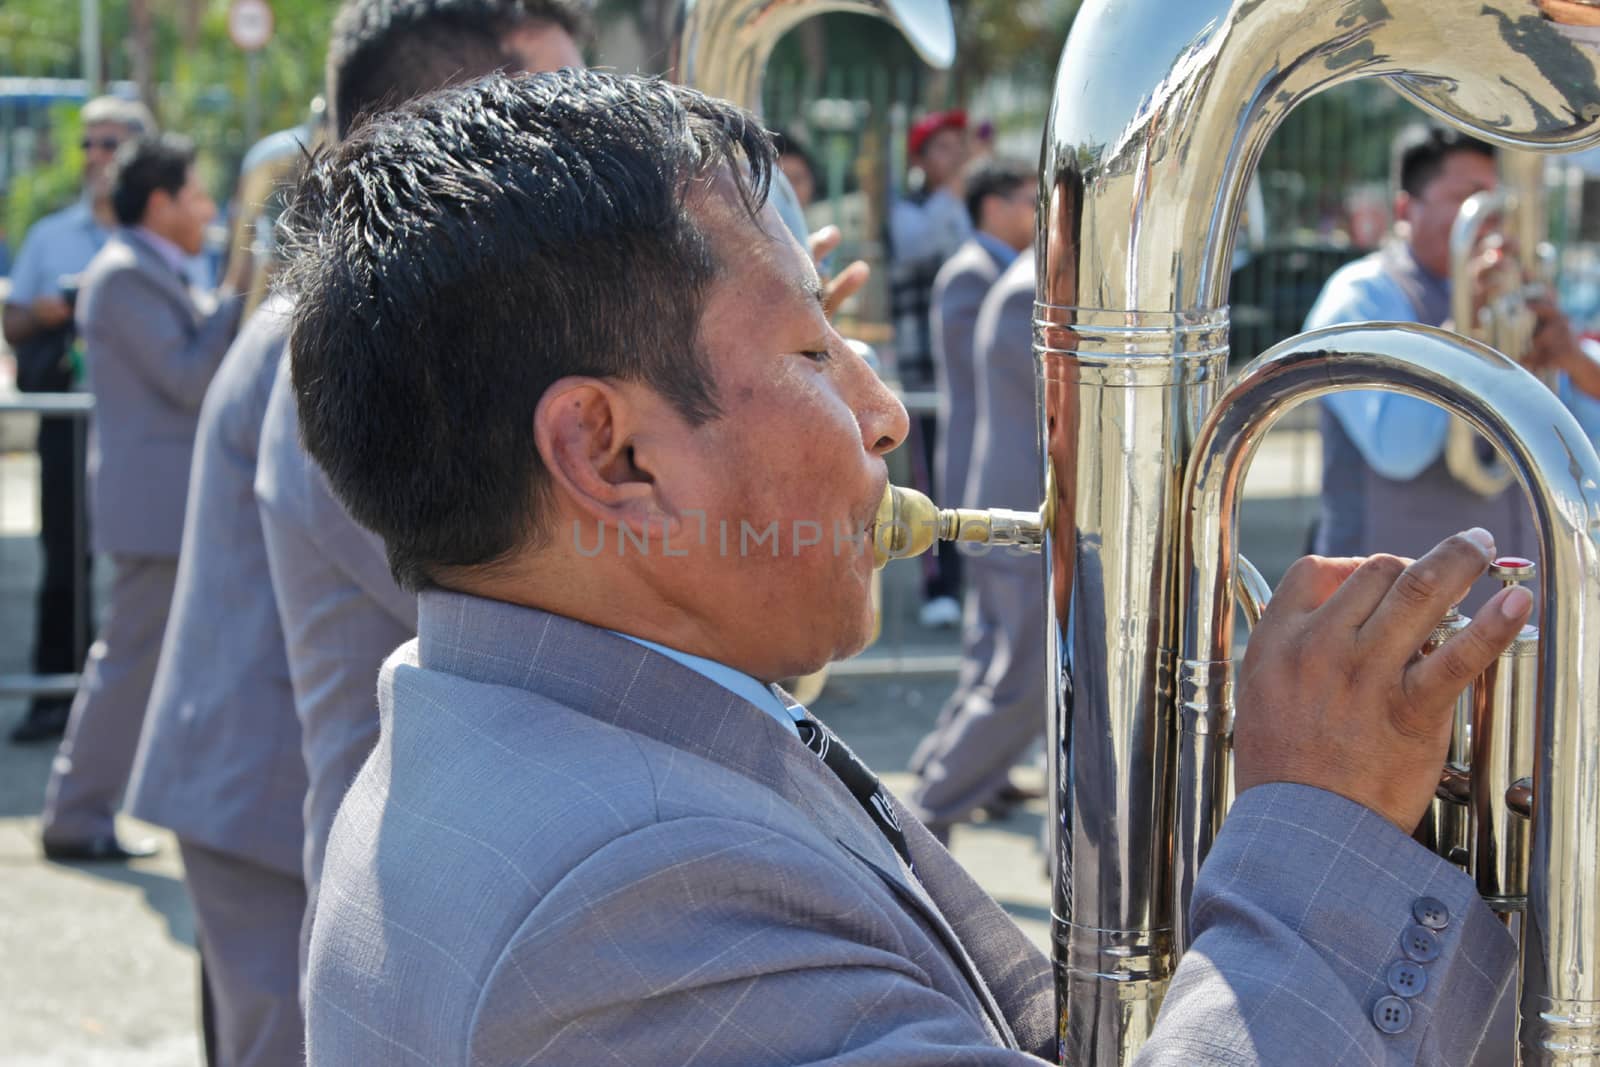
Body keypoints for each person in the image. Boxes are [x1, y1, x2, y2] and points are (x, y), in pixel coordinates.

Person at [285, 69, 1527, 1064]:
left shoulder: (510, 714)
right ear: (610, 454)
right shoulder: (634, 897)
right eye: (815, 352)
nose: (882, 412)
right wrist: (1323, 826)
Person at [252, 0, 587, 973]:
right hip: (423, 913)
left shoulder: (460, 323)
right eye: (552, 102)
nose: (597, 129)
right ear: (442, 116)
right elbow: (557, 593)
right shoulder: (356, 339)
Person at [38, 134, 245, 863]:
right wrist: (237, 295)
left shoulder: (151, 268)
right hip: (156, 513)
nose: (208, 209)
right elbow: (189, 376)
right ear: (158, 204)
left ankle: (91, 807)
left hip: (168, 508)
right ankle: (76, 811)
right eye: (194, 194)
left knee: (146, 663)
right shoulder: (125, 275)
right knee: (128, 664)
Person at [1308, 124, 1600, 609]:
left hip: (1507, 608)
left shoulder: (1507, 294)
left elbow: (1580, 447)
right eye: (1469, 197)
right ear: (1406, 210)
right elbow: (1396, 449)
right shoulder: (1361, 296)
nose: (1492, 216)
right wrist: (1464, 329)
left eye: (1497, 198)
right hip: (1382, 615)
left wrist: (1568, 356)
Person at [3, 96, 154, 744]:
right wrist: (44, 313)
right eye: (88, 143)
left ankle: (146, 710)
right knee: (63, 556)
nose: (95, 156)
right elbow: (10, 324)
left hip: (150, 426)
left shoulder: (165, 232)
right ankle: (53, 702)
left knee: (153, 563)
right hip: (70, 420)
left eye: (110, 143)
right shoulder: (50, 235)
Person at [908, 159, 1043, 840]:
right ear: (992, 205)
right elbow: (971, 392)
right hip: (995, 486)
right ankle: (931, 804)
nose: (1036, 212)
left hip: (992, 481)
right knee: (1014, 673)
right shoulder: (980, 275)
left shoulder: (998, 276)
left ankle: (945, 775)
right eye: (1027, 198)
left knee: (994, 659)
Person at [889, 108, 972, 628]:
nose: (956, 157)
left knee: (971, 474)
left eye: (958, 146)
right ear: (919, 158)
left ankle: (974, 583)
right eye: (942, 147)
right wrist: (955, 195)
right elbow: (922, 246)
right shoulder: (909, 210)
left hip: (971, 370)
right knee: (930, 477)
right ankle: (936, 583)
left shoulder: (969, 203)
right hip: (925, 369)